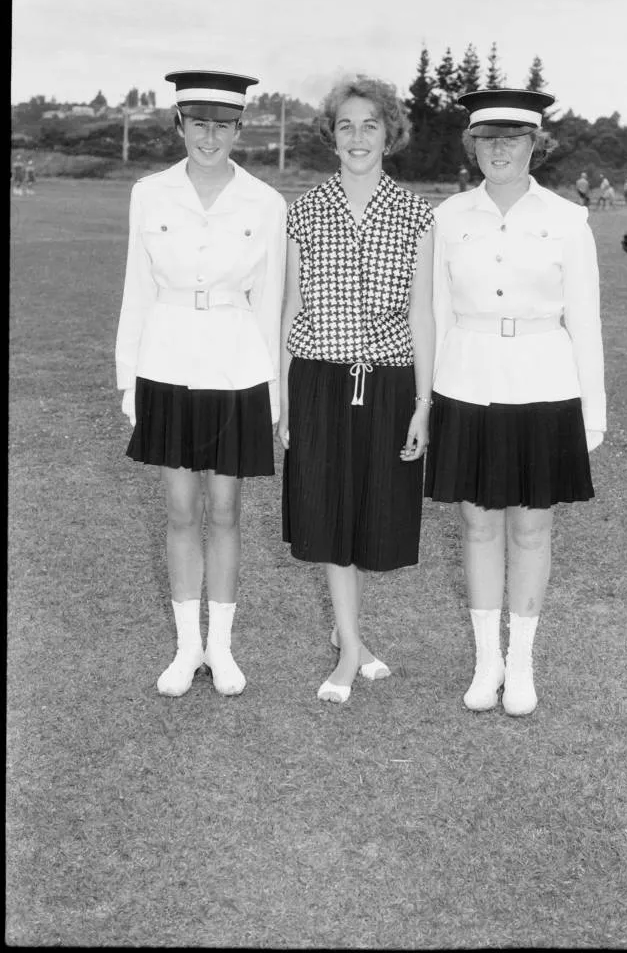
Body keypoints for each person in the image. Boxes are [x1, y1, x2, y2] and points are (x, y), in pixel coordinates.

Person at [426, 88, 606, 717]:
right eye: (487, 138)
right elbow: (439, 317)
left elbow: (585, 321)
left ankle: (522, 663)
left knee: (531, 526)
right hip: (468, 381)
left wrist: (592, 413)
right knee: (478, 522)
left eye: (514, 137)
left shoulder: (568, 221)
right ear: (472, 144)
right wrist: (430, 402)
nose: (499, 149)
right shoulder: (447, 219)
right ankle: (487, 663)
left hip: (545, 385)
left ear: (536, 144)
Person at [115, 70, 287, 697]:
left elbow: (269, 303)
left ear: (240, 128)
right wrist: (128, 382)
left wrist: (272, 394)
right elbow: (137, 289)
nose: (210, 136)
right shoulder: (148, 194)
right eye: (198, 123)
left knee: (226, 510)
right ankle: (188, 648)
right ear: (180, 125)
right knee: (181, 511)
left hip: (237, 368)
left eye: (224, 124)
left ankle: (222, 646)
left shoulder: (265, 203)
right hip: (165, 363)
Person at [279, 74, 435, 704]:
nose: (357, 136)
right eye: (346, 124)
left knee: (371, 516)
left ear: (389, 134)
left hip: (392, 383)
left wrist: (424, 406)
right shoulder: (306, 210)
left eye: (370, 124)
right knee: (327, 513)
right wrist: (286, 402)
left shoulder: (416, 213)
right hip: (318, 378)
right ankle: (349, 651)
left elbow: (422, 314)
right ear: (331, 136)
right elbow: (290, 307)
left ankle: (354, 642)